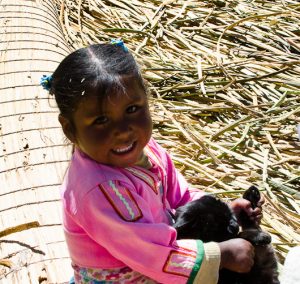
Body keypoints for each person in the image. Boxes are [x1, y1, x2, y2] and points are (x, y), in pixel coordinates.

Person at [41, 40, 264, 284]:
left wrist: (224, 215)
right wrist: (221, 255)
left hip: (159, 253)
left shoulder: (145, 149)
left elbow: (180, 196)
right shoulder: (100, 189)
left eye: (132, 109)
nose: (124, 131)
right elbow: (151, 254)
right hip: (131, 273)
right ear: (69, 128)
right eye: (102, 120)